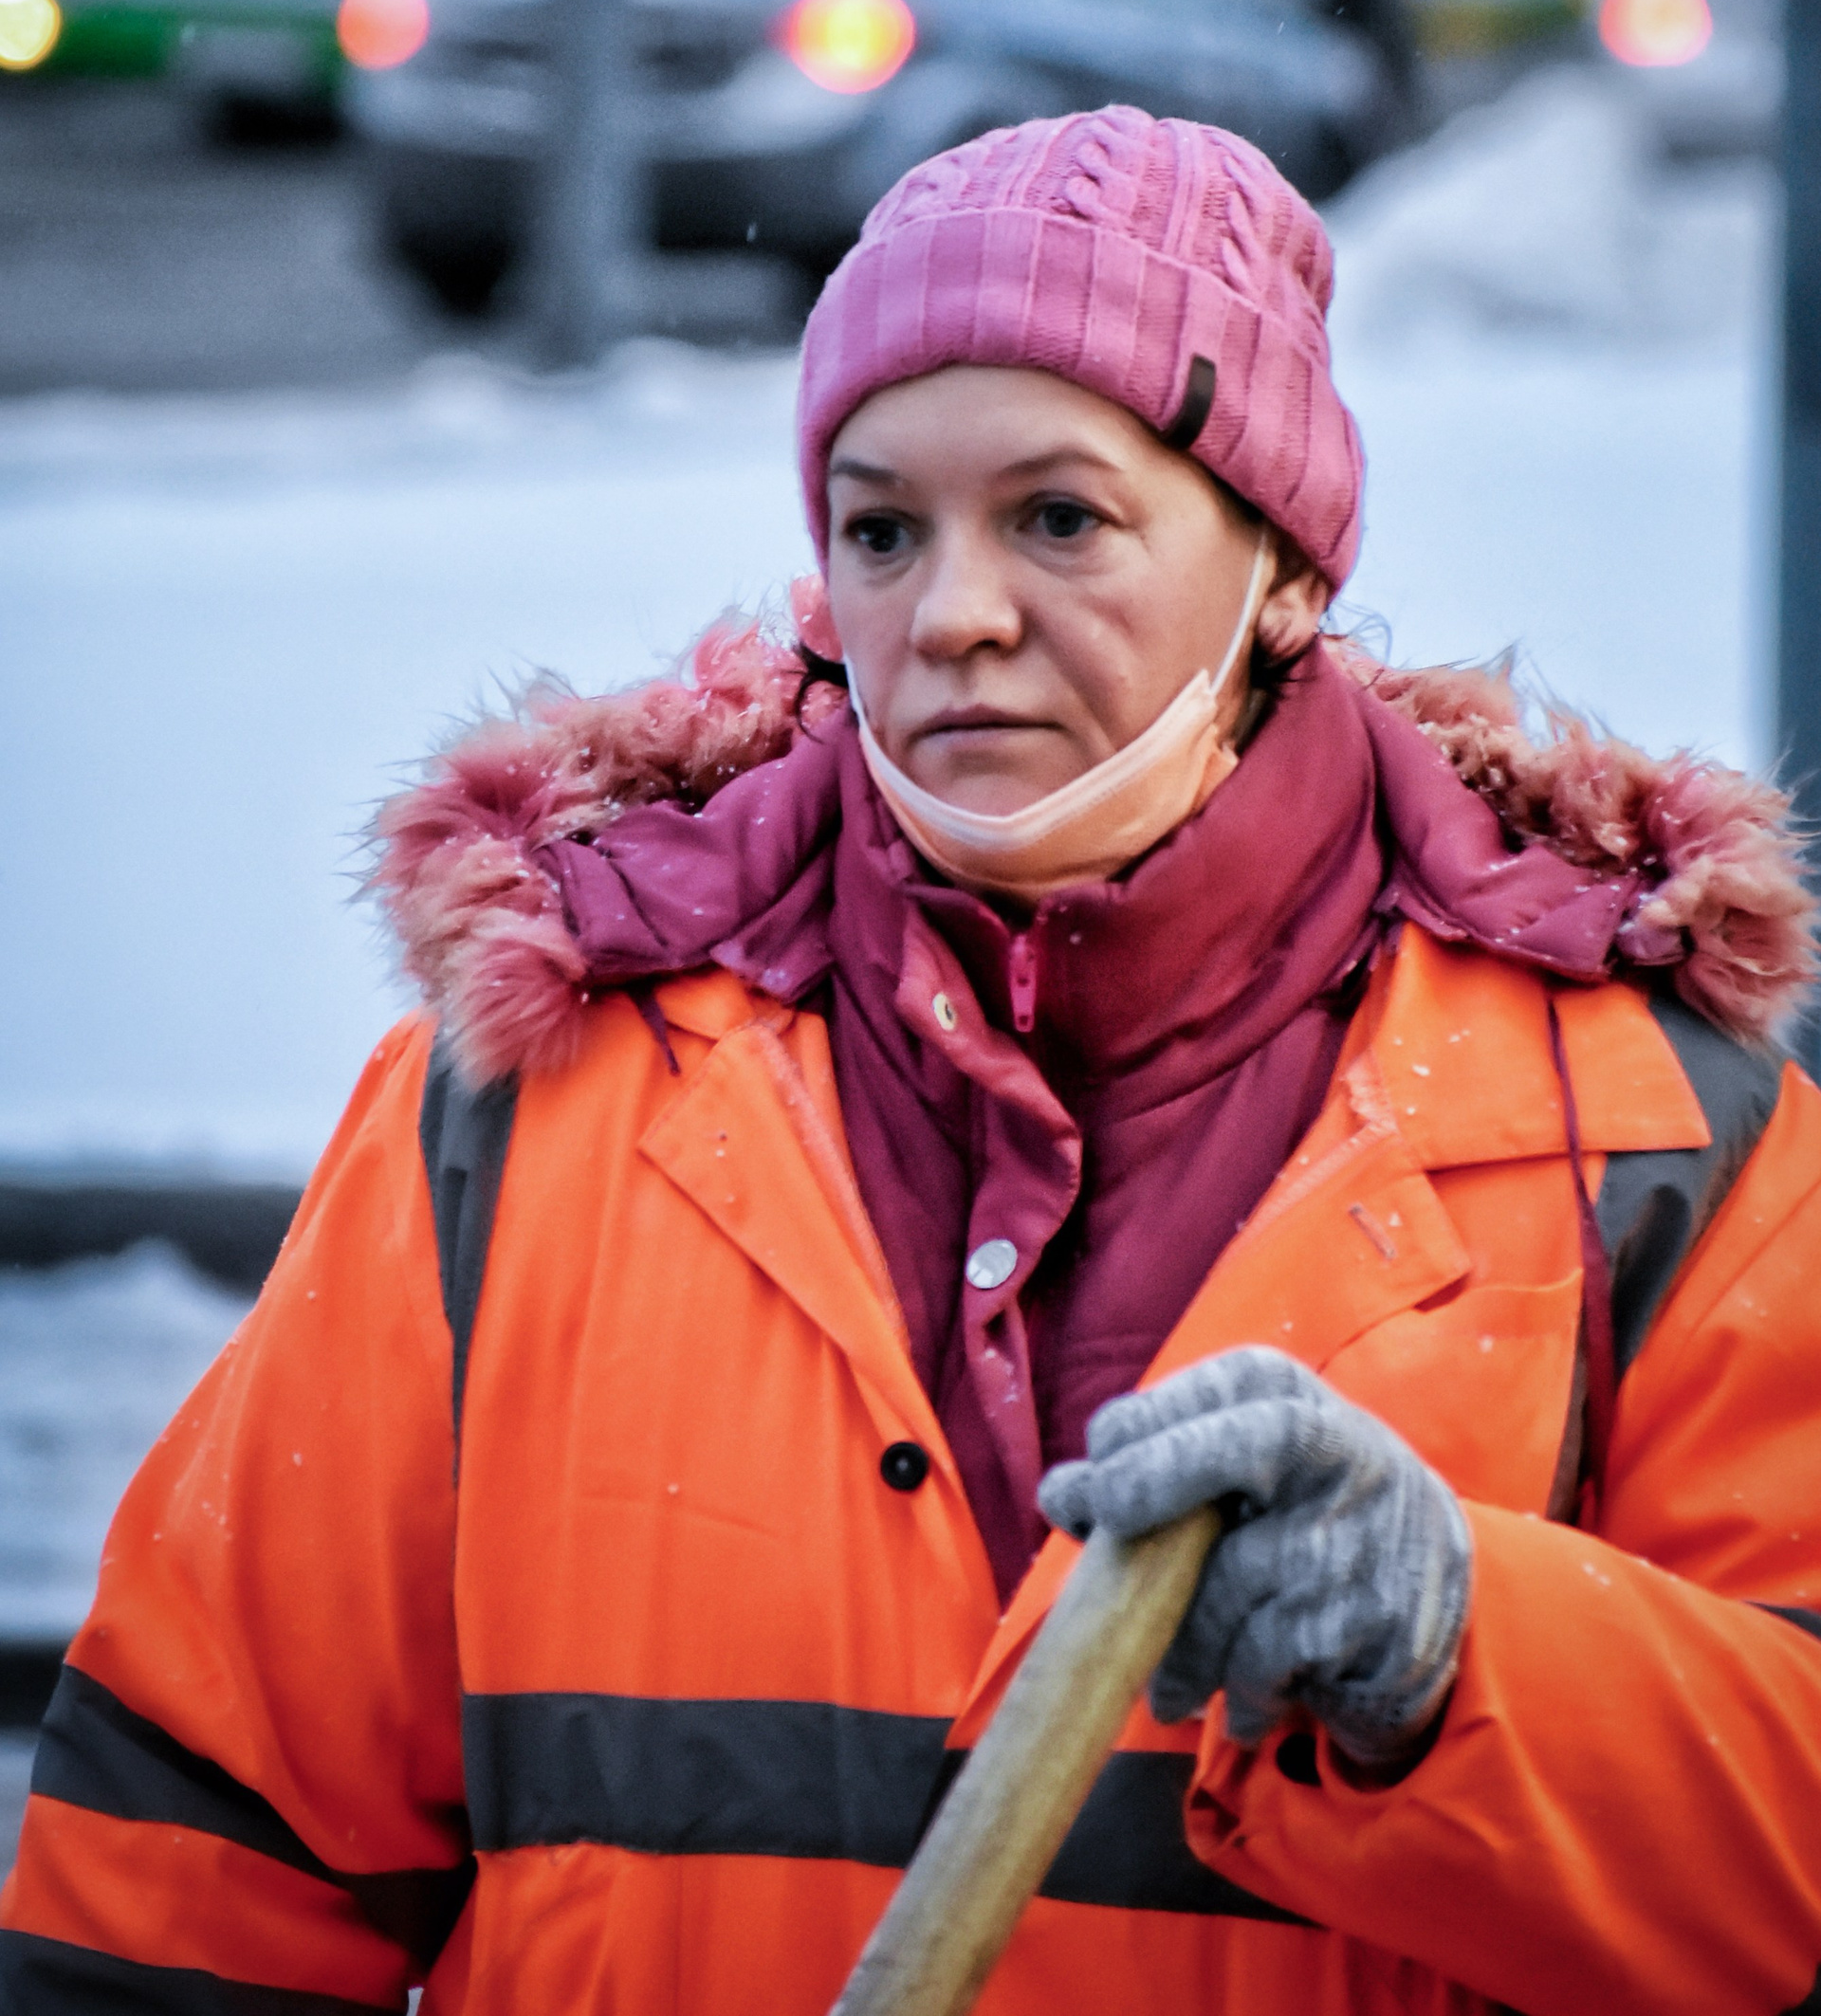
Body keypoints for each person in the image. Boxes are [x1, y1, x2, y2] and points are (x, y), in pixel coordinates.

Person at [4, 106, 1820, 2016]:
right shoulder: (527, 1100)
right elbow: (190, 1860)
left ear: (1284, 570)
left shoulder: (1651, 1133)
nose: (952, 614)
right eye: (882, 529)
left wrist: (1470, 1660)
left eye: (1059, 518)